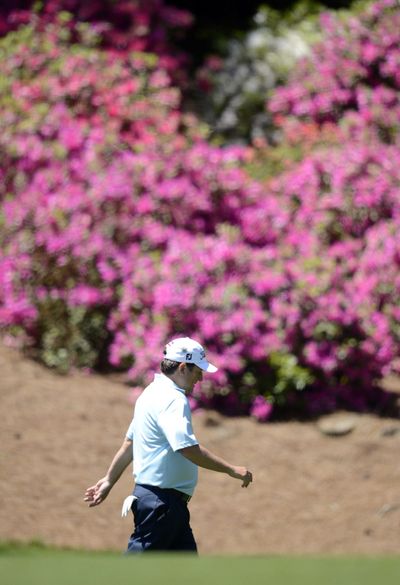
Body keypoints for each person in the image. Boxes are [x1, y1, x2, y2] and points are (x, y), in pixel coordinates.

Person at [84, 336, 253, 553]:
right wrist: (231, 470)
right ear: (183, 368)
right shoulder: (173, 399)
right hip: (161, 504)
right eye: (197, 370)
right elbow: (187, 448)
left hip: (167, 506)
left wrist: (109, 479)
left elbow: (130, 444)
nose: (200, 377)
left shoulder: (150, 393)